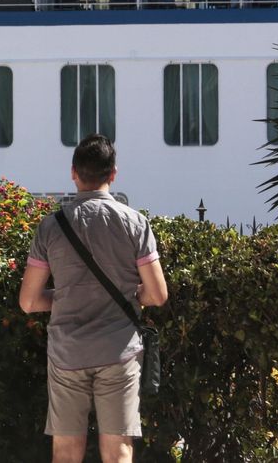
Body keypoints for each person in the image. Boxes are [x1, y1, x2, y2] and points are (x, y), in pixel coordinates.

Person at [19, 135, 169, 463]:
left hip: (67, 353)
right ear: (113, 174)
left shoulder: (51, 227)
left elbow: (28, 302)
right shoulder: (135, 223)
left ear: (73, 173)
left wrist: (68, 295)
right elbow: (157, 294)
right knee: (118, 452)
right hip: (119, 351)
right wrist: (132, 295)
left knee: (66, 452)